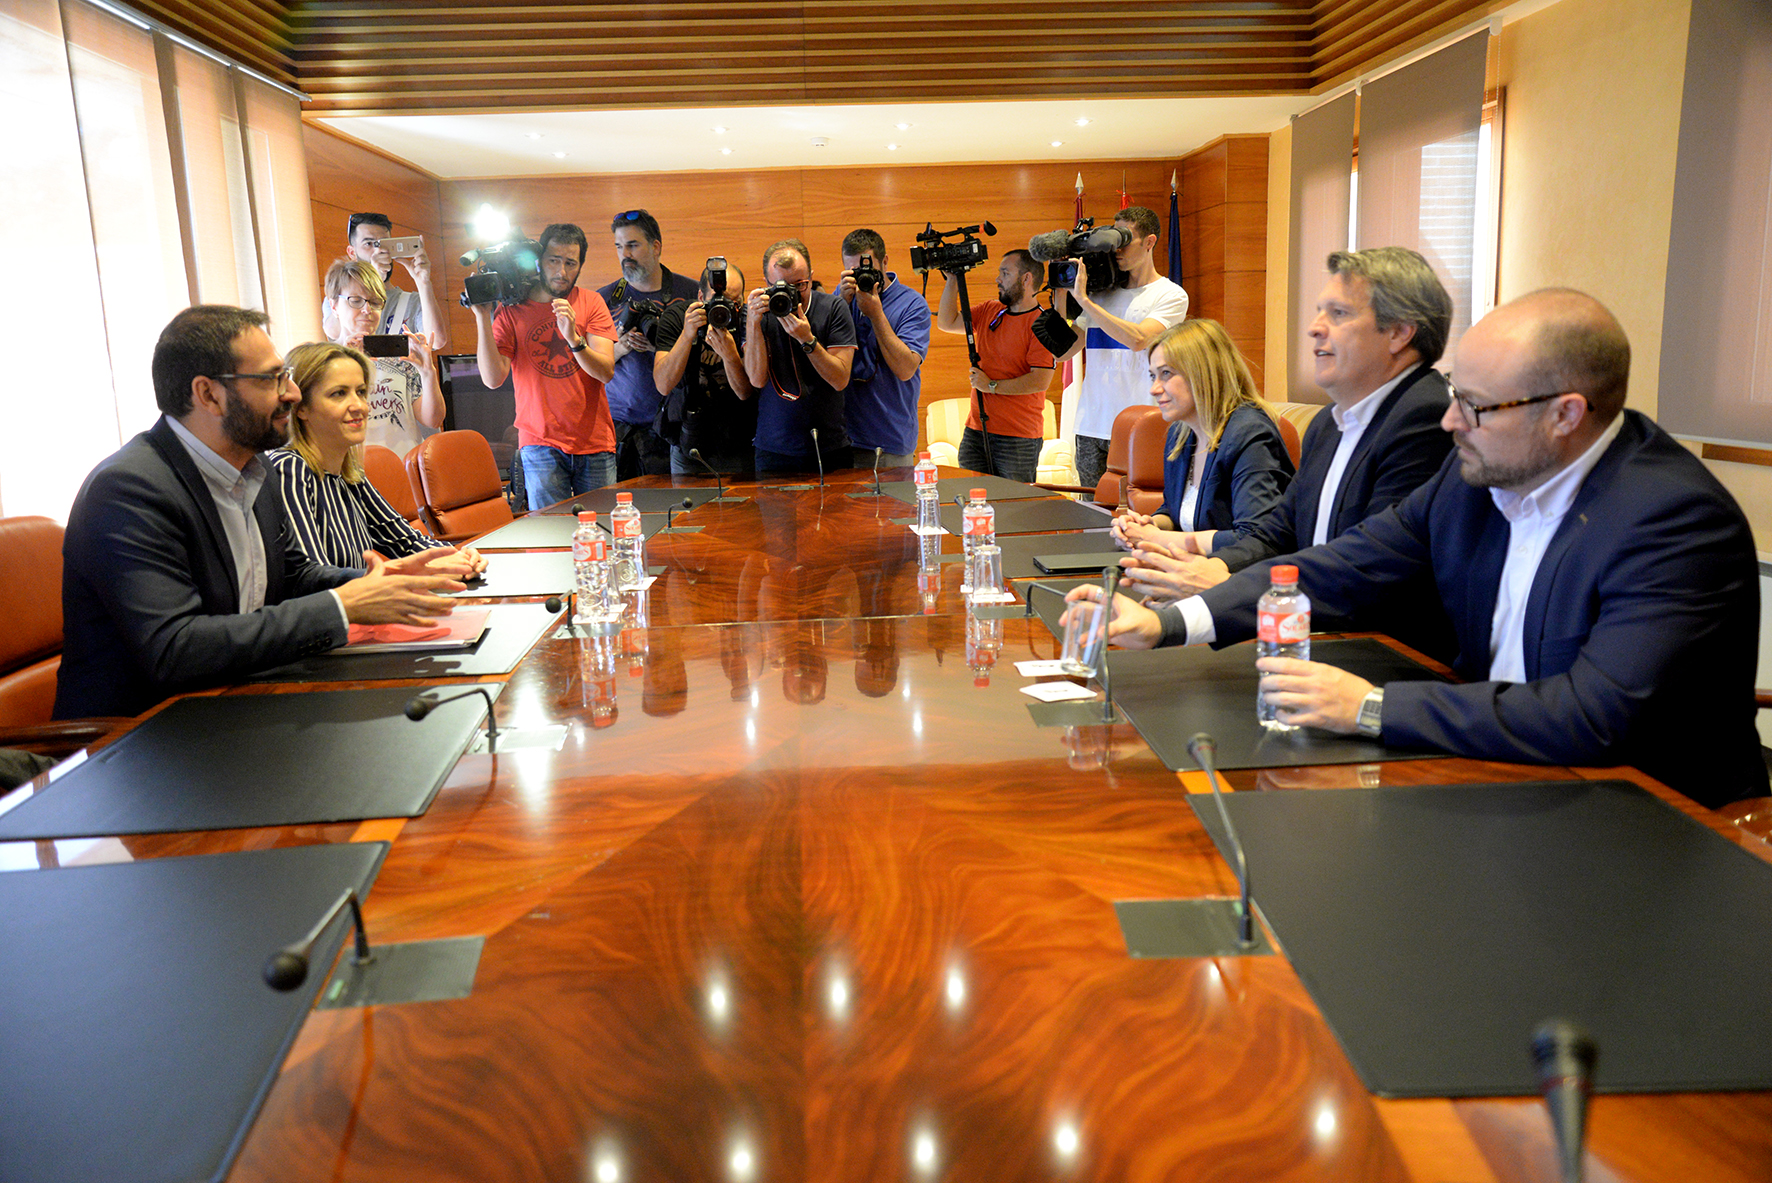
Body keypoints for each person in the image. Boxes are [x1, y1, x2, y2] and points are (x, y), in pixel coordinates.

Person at [1065, 289, 1768, 810]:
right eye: (1457, 393)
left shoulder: (1672, 522)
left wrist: (1372, 707)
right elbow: (1343, 563)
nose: (1450, 418)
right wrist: (1168, 621)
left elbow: (1592, 719)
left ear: (1566, 414)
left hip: (1647, 817)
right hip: (1489, 774)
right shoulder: (1472, 478)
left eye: (1478, 406)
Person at [56, 306, 470, 720]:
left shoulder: (256, 469)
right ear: (208, 395)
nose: (291, 393)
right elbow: (175, 649)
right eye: (273, 379)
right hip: (142, 736)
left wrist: (375, 582)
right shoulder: (130, 490)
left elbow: (292, 574)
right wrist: (341, 606)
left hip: (241, 700)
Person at [1118, 246, 1456, 656]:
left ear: (1400, 332)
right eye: (1318, 312)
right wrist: (1213, 567)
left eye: (1338, 314)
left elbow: (1367, 571)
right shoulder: (1332, 422)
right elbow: (1277, 532)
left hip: (1388, 657)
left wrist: (1216, 592)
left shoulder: (1426, 418)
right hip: (1315, 637)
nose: (1314, 328)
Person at [268, 340, 487, 574]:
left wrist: (457, 557)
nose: (359, 405)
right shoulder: (289, 469)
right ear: (300, 407)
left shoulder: (350, 474)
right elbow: (311, 575)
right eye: (338, 394)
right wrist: (400, 573)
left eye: (361, 392)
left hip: (368, 606)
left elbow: (406, 542)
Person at [1109, 319, 1292, 561]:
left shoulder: (1251, 433)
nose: (1154, 388)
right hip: (1190, 572)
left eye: (1166, 374)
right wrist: (1147, 524)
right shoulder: (1181, 433)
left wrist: (1156, 538)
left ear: (1203, 373)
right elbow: (1174, 512)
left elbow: (1254, 539)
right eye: (1153, 375)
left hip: (1240, 582)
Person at [471, 223, 618, 509]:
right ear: (539, 260)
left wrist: (574, 338)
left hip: (595, 442)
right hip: (539, 442)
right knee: (551, 534)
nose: (561, 272)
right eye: (553, 260)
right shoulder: (512, 310)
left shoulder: (591, 302)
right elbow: (492, 378)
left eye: (570, 263)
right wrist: (482, 317)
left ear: (579, 266)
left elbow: (605, 371)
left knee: (603, 533)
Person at [1055, 205, 1189, 490]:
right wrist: (1061, 289)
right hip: (1091, 424)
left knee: (1139, 516)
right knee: (1094, 518)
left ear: (1150, 242)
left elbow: (1139, 339)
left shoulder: (1170, 295)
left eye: (1125, 240)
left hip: (1140, 427)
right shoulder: (1100, 294)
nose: (1117, 249)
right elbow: (1064, 352)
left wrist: (1087, 302)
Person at [935, 250, 1056, 482]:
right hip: (976, 432)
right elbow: (947, 322)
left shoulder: (1043, 323)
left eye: (1005, 273)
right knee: (971, 502)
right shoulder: (991, 310)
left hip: (1018, 438)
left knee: (1013, 508)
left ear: (1026, 279)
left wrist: (990, 385)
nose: (998, 279)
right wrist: (951, 280)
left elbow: (1039, 380)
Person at [597, 209, 699, 479]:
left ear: (656, 247)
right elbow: (590, 364)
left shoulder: (690, 293)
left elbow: (707, 357)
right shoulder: (604, 299)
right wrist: (620, 347)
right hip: (620, 432)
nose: (624, 254)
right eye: (619, 247)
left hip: (675, 428)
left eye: (632, 245)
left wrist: (660, 348)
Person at [742, 238, 857, 474]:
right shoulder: (756, 313)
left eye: (800, 285)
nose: (791, 294)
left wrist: (808, 340)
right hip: (774, 450)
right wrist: (753, 324)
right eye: (781, 286)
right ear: (766, 283)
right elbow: (755, 379)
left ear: (812, 277)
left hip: (828, 446)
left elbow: (840, 379)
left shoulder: (834, 308)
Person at [324, 257, 444, 456]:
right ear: (334, 305)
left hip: (405, 471)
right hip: (354, 475)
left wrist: (427, 372)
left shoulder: (401, 358)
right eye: (355, 301)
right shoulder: (324, 363)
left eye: (375, 302)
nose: (367, 310)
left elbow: (434, 419)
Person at [835, 229, 931, 469]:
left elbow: (906, 368)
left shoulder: (912, 303)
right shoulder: (840, 300)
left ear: (885, 261)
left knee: (895, 507)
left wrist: (875, 313)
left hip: (890, 440)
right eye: (854, 271)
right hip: (842, 441)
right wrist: (840, 305)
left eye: (867, 269)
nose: (861, 278)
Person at [653, 260, 755, 475]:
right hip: (688, 437)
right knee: (689, 506)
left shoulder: (748, 320)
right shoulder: (678, 317)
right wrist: (687, 334)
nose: (725, 310)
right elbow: (663, 385)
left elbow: (745, 392)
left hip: (736, 437)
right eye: (719, 302)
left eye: (734, 302)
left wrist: (729, 355)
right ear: (701, 298)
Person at [319, 212, 447, 350]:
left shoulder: (413, 301)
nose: (378, 251)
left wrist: (424, 283)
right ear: (352, 253)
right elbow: (333, 331)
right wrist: (373, 280)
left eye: (384, 243)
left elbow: (436, 342)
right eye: (369, 244)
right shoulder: (343, 295)